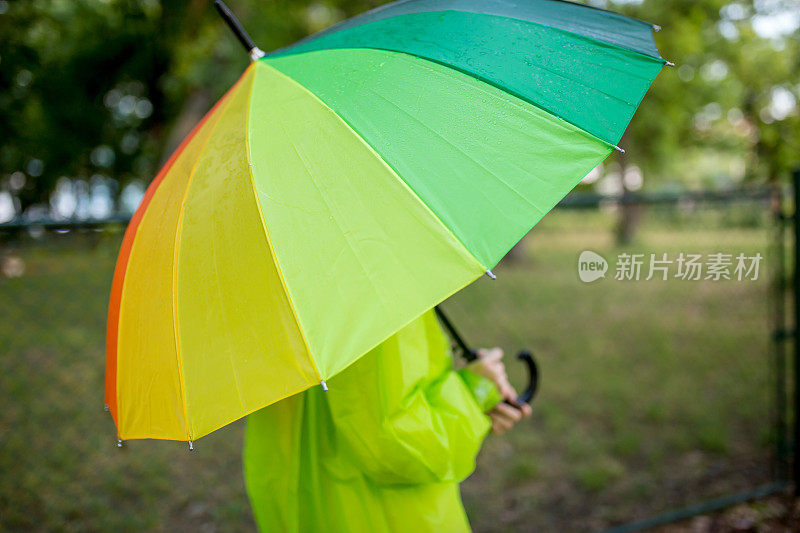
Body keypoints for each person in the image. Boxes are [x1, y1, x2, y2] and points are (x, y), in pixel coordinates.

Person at [243, 308, 532, 531]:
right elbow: (400, 446)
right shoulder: (372, 289)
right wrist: (472, 393)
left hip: (298, 502)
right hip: (384, 515)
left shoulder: (275, 284)